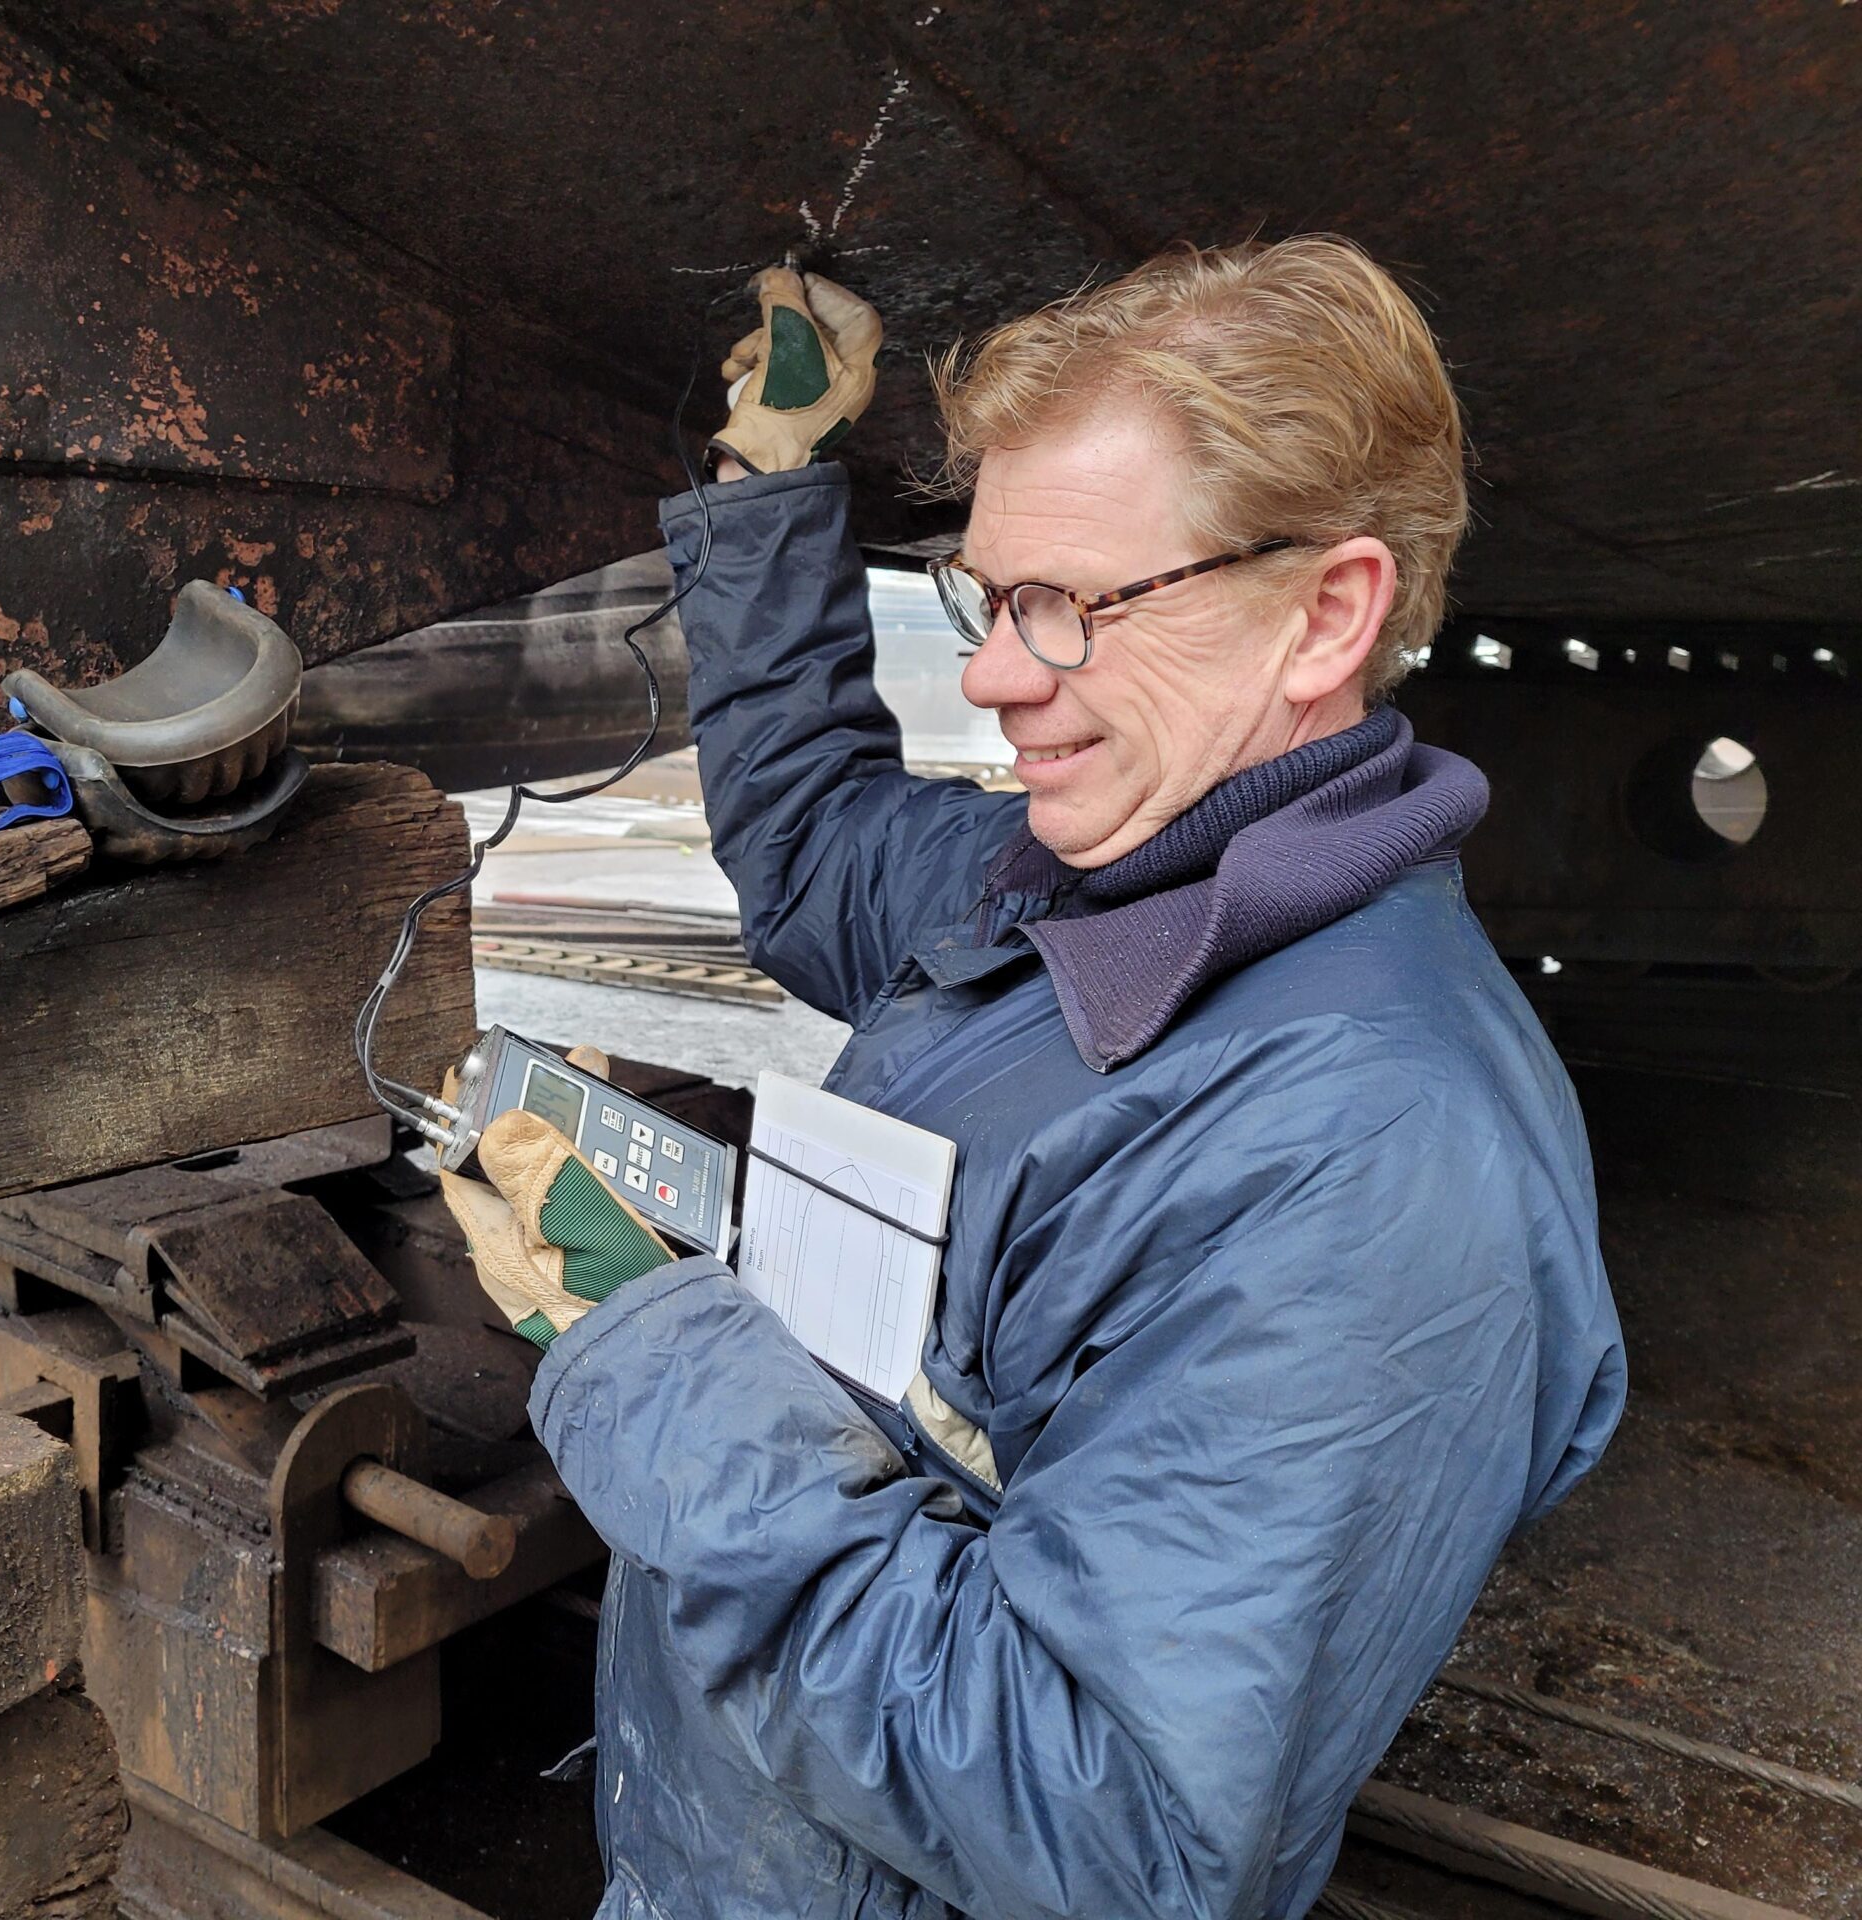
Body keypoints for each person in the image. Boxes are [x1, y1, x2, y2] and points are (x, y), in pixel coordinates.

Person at [439, 237, 1626, 1919]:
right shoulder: (1085, 878)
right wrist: (775, 487)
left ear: (1330, 613)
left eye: (1072, 606)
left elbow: (1108, 1834)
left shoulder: (1370, 1159)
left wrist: (648, 1352)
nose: (997, 679)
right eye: (990, 601)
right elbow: (816, 845)